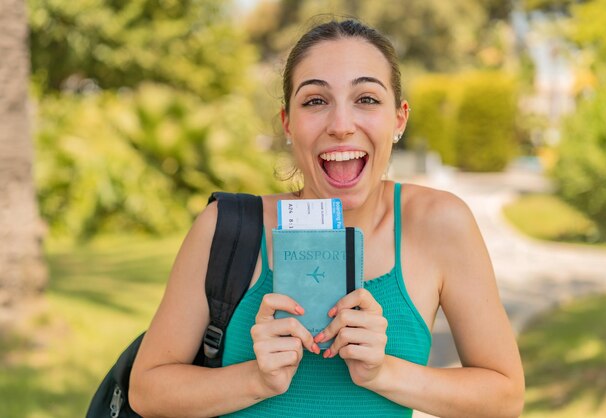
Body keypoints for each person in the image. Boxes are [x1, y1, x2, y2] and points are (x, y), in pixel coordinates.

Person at [129, 18, 525, 417]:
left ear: (399, 119)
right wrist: (256, 380)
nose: (340, 126)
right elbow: (147, 392)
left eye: (367, 99)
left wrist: (382, 372)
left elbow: (504, 397)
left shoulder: (440, 225)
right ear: (288, 123)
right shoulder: (226, 227)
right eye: (316, 101)